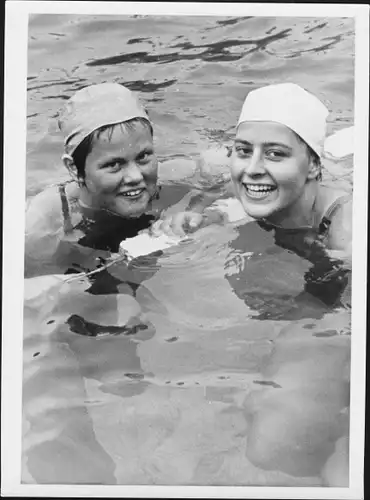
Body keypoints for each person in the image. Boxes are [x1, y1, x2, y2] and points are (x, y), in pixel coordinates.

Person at [24, 82, 216, 279]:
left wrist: (196, 213)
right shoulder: (40, 226)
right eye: (114, 164)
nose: (136, 177)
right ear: (74, 169)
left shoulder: (177, 175)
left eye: (143, 157)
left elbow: (229, 180)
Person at [158, 83, 352, 259]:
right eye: (244, 150)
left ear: (314, 165)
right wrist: (200, 217)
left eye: (275, 153)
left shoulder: (345, 227)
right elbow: (206, 199)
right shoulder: (241, 185)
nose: (252, 169)